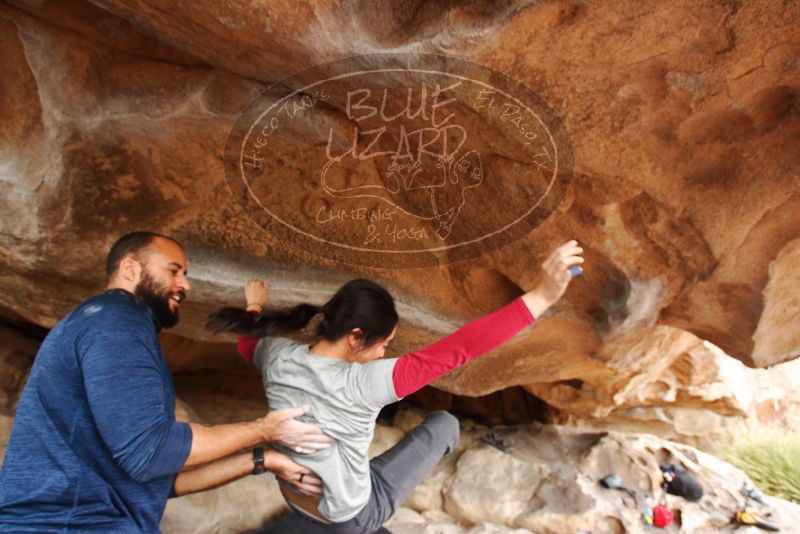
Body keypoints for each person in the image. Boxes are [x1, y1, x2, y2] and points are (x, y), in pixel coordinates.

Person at [207, 240, 584, 533]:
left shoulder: (276, 356)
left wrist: (254, 306)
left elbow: (247, 343)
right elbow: (461, 349)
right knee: (444, 424)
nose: (384, 353)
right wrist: (542, 296)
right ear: (356, 336)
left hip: (295, 497)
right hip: (348, 514)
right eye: (384, 344)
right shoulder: (366, 382)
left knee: (362, 472)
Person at [0, 232, 332, 532]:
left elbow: (158, 479)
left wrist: (261, 458)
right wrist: (265, 429)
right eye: (174, 271)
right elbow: (153, 451)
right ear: (130, 269)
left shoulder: (112, 324)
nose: (185, 285)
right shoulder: (116, 323)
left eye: (184, 274)